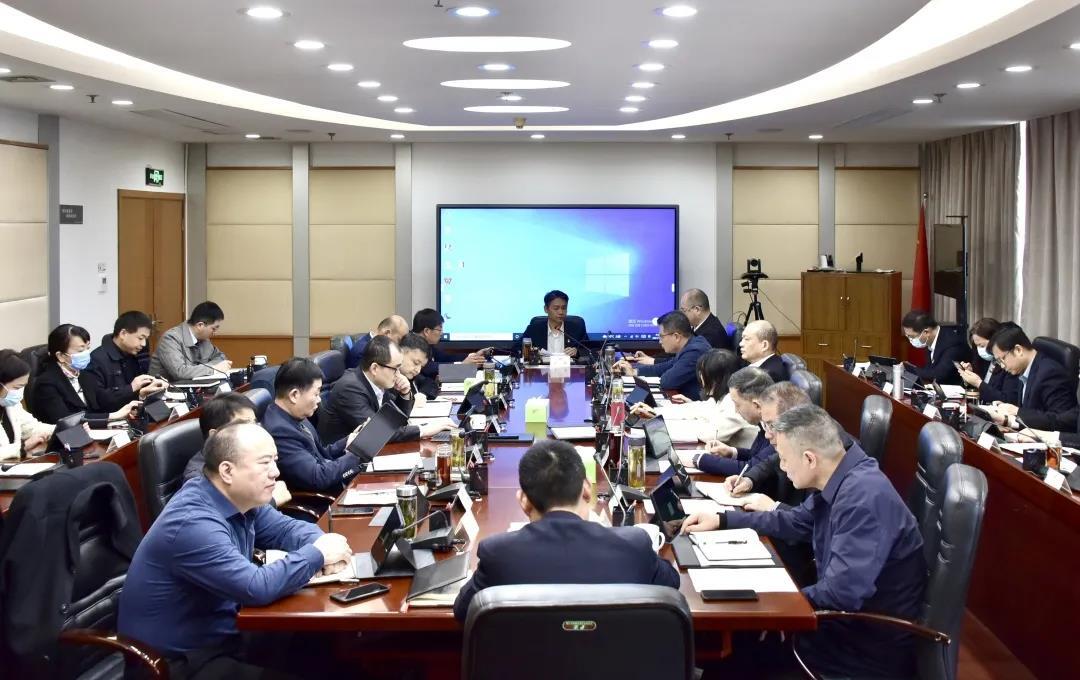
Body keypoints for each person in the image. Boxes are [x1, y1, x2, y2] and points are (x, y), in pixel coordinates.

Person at [682, 405, 926, 678]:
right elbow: (796, 521)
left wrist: (768, 603)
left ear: (810, 459)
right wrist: (723, 519)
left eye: (784, 459)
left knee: (735, 658)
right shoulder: (842, 475)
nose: (782, 467)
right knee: (733, 648)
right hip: (836, 627)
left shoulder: (864, 499)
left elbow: (841, 594)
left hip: (858, 648)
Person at [119, 423, 352, 678]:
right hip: (181, 663)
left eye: (275, 460)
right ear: (227, 471)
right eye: (265, 463)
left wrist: (323, 546)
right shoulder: (193, 523)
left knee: (322, 644)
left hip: (230, 629)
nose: (275, 472)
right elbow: (256, 586)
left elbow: (286, 530)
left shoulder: (240, 497)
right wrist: (317, 555)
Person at [452, 439, 680, 621]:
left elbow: (462, 610)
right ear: (587, 490)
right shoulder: (634, 545)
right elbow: (671, 584)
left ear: (524, 501)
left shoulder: (498, 554)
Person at [317, 336, 454, 445]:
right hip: (345, 461)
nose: (398, 374)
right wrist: (425, 430)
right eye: (395, 368)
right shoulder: (350, 389)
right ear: (375, 368)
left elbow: (397, 421)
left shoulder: (378, 381)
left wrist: (405, 394)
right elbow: (379, 432)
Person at [264, 357, 369, 494]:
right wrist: (357, 454)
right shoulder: (280, 432)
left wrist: (349, 441)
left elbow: (320, 454)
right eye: (316, 394)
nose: (319, 400)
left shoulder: (295, 414)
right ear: (294, 395)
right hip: (322, 499)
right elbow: (318, 477)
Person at [629, 349, 757, 447]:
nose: (700, 379)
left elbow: (709, 434)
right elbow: (695, 409)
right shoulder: (723, 396)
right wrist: (655, 412)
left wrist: (659, 424)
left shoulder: (734, 402)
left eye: (703, 373)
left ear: (714, 378)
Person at [30, 324, 139, 424]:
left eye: (87, 348)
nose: (86, 354)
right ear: (61, 356)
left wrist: (133, 402)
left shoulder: (82, 373)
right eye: (80, 351)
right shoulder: (46, 383)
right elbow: (66, 421)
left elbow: (101, 401)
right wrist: (112, 416)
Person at [985, 325, 1079, 431]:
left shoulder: (1050, 373)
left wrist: (1017, 412)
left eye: (1002, 359)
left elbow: (1062, 421)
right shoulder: (1024, 368)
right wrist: (1007, 409)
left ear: (1018, 350)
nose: (1002, 366)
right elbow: (1030, 408)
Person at [687, 367, 774, 476]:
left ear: (756, 405)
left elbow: (752, 468)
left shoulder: (778, 427)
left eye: (737, 404)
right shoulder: (764, 422)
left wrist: (699, 459)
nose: (736, 411)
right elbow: (756, 456)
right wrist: (731, 452)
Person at [613, 311, 711, 399]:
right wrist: (635, 372)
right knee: (636, 400)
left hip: (695, 408)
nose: (660, 341)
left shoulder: (695, 351)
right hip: (685, 401)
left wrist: (635, 372)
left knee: (639, 402)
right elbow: (666, 366)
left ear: (676, 336)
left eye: (661, 336)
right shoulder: (690, 345)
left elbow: (667, 382)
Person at [83, 311, 167, 413]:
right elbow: (97, 401)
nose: (144, 344)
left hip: (133, 413)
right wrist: (131, 388)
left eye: (146, 339)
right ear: (123, 334)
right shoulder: (96, 360)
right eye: (140, 338)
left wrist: (149, 389)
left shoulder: (134, 355)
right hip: (109, 417)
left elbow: (136, 393)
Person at [149, 301, 232, 381]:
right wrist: (213, 369)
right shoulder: (170, 338)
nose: (215, 333)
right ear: (200, 325)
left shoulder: (204, 339)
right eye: (213, 328)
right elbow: (180, 372)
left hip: (194, 387)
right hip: (167, 388)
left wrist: (210, 368)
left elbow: (221, 357)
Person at [0, 350, 55, 460]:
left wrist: (65, 429)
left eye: (23, 386)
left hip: (13, 465)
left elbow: (31, 427)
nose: (20, 393)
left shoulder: (10, 404)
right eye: (17, 387)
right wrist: (22, 447)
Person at [956, 318, 1022, 405]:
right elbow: (975, 393)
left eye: (982, 345)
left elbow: (1008, 400)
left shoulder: (1009, 363)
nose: (980, 350)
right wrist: (969, 378)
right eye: (977, 346)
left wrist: (979, 383)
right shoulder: (984, 360)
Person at [901, 310, 968, 385]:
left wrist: (909, 369)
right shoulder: (929, 340)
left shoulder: (953, 343)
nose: (910, 340)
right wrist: (911, 367)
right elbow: (929, 371)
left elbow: (939, 375)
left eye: (911, 336)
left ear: (926, 332)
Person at [517, 290, 589, 359]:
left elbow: (589, 351)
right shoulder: (534, 329)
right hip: (542, 367)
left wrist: (577, 352)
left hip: (569, 367)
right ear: (546, 309)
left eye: (564, 308)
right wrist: (531, 352)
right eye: (556, 308)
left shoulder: (577, 329)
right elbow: (516, 349)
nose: (561, 312)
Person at [344, 315, 409, 370]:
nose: (399, 345)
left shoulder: (372, 346)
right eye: (399, 340)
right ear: (387, 333)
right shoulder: (364, 351)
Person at [399, 332, 437, 401]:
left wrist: (422, 394)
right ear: (400, 352)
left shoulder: (412, 377)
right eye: (416, 363)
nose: (418, 370)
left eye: (421, 367)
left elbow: (430, 382)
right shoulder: (387, 380)